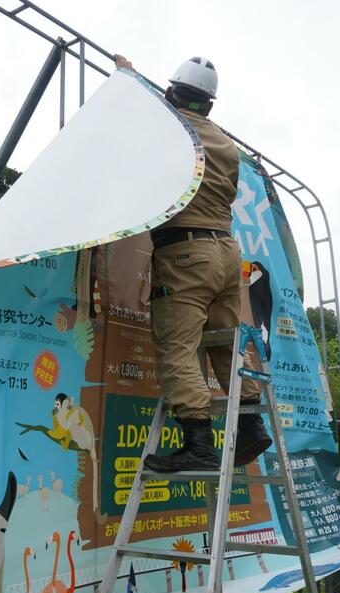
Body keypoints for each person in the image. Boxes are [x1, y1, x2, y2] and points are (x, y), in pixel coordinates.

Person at [113, 54, 272, 472]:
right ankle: (253, 427)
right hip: (225, 252)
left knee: (177, 347)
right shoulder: (225, 144)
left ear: (171, 92)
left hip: (186, 255)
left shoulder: (171, 131)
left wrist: (127, 77)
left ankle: (199, 445)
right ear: (211, 105)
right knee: (224, 341)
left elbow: (135, 120)